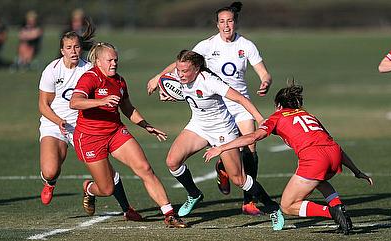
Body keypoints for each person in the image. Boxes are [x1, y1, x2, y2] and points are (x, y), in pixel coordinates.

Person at [147, 1, 272, 216]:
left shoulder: (246, 45)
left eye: (230, 21)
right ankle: (218, 173)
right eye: (222, 22)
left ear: (236, 23)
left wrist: (265, 81)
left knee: (250, 150)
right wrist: (159, 77)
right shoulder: (206, 46)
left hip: (238, 102)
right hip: (212, 104)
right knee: (177, 159)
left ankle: (248, 201)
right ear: (217, 24)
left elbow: (263, 72)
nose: (226, 25)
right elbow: (184, 64)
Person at [204, 81, 373, 235]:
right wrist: (356, 171)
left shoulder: (277, 117)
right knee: (319, 181)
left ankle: (333, 213)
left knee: (287, 205)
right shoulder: (308, 116)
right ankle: (337, 206)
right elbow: (332, 145)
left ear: (278, 105)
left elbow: (252, 137)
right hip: (334, 154)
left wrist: (221, 147)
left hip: (315, 159)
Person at [162, 50, 284, 231]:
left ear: (197, 68)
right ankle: (194, 194)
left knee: (238, 179)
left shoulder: (211, 82)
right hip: (198, 125)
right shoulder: (179, 76)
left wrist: (259, 119)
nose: (180, 74)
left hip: (222, 131)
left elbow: (241, 99)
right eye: (178, 70)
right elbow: (190, 95)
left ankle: (273, 208)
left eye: (185, 71)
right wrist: (169, 95)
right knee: (172, 161)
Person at [69, 42, 187, 228]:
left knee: (145, 168)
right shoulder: (90, 78)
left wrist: (146, 125)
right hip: (90, 138)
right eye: (109, 60)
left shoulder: (119, 81)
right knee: (107, 189)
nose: (114, 63)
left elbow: (128, 108)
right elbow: (75, 102)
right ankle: (89, 188)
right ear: (98, 62)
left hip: (115, 132)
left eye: (116, 59)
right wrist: (101, 101)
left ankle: (169, 214)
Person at [38, 20, 95, 206]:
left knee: (103, 172)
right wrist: (59, 121)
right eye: (69, 47)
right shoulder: (52, 70)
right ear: (62, 50)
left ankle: (125, 208)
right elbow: (43, 105)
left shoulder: (88, 70)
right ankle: (50, 182)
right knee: (50, 170)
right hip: (54, 124)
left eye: (77, 47)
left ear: (81, 49)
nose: (73, 51)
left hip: (82, 125)